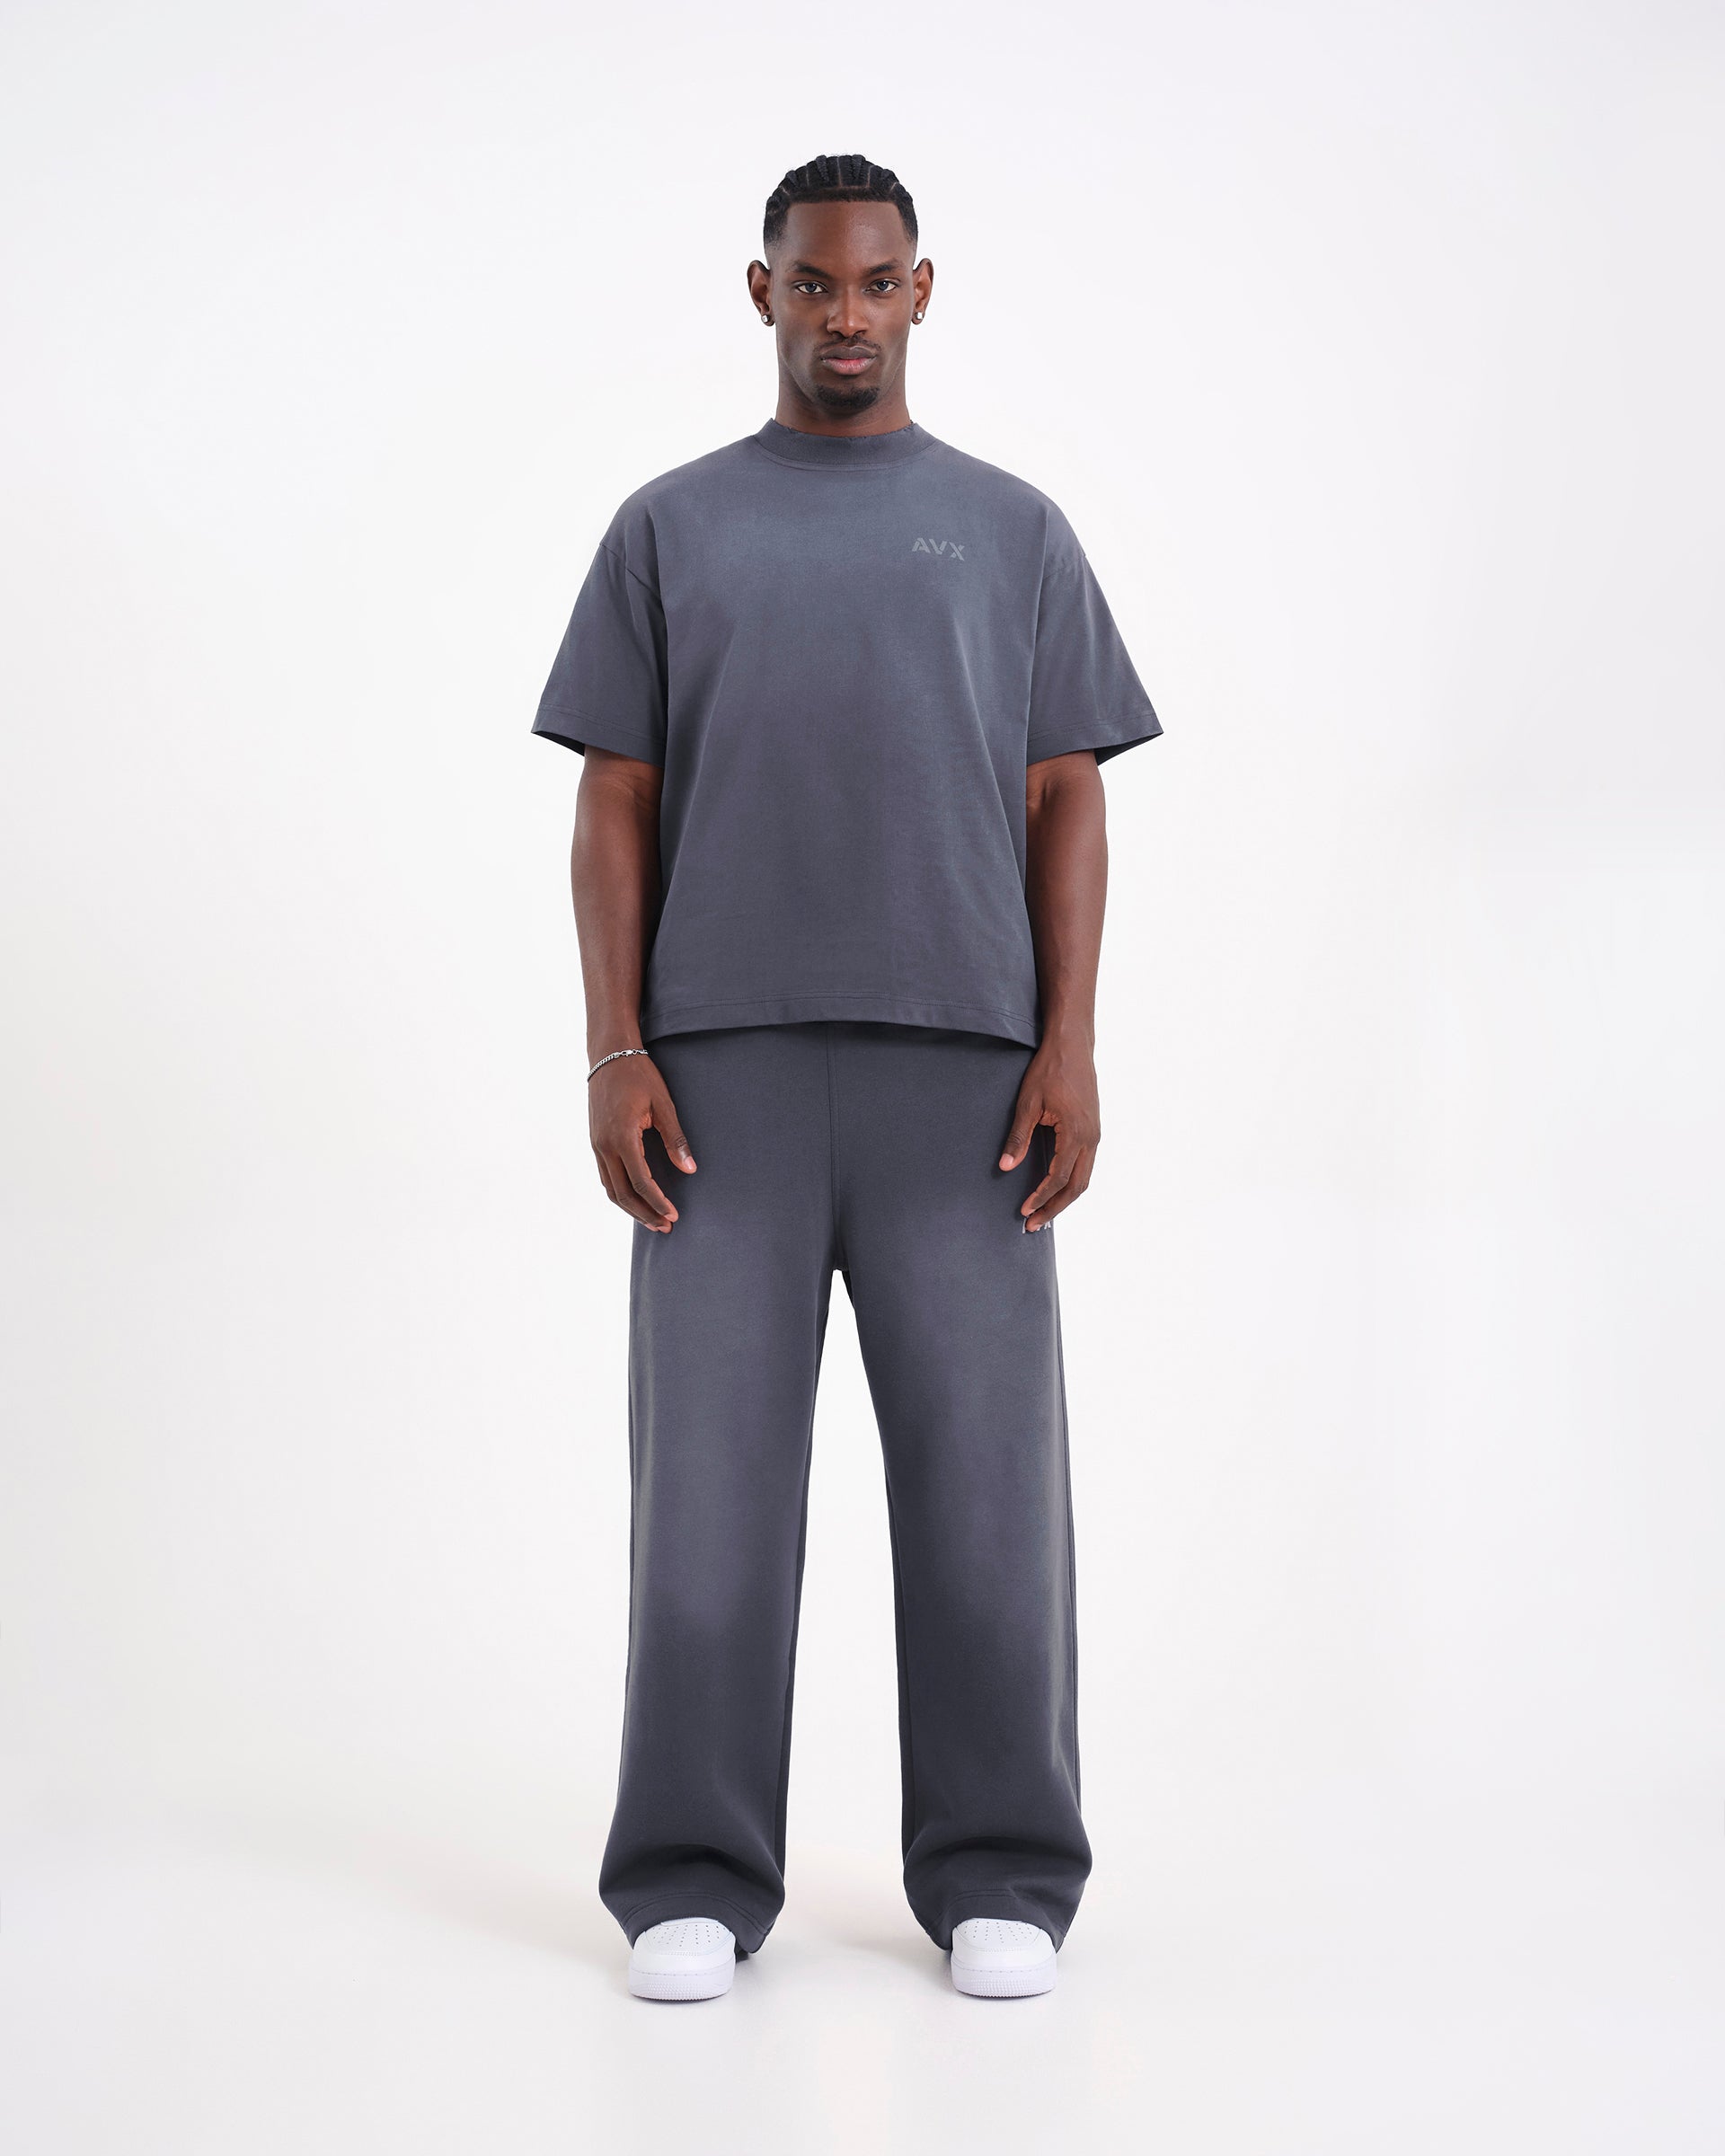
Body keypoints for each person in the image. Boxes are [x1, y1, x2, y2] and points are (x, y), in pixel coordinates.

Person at [531, 154, 1161, 2002]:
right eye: (814, 284)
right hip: (717, 1078)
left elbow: (1067, 792)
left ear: (922, 290)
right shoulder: (670, 527)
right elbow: (614, 796)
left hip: (963, 1079)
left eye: (877, 282)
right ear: (765, 294)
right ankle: (690, 1877)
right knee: (706, 1498)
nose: (847, 314)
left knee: (988, 1493)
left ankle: (1003, 1872)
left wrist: (1071, 1042)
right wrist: (615, 1047)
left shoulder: (1014, 531)